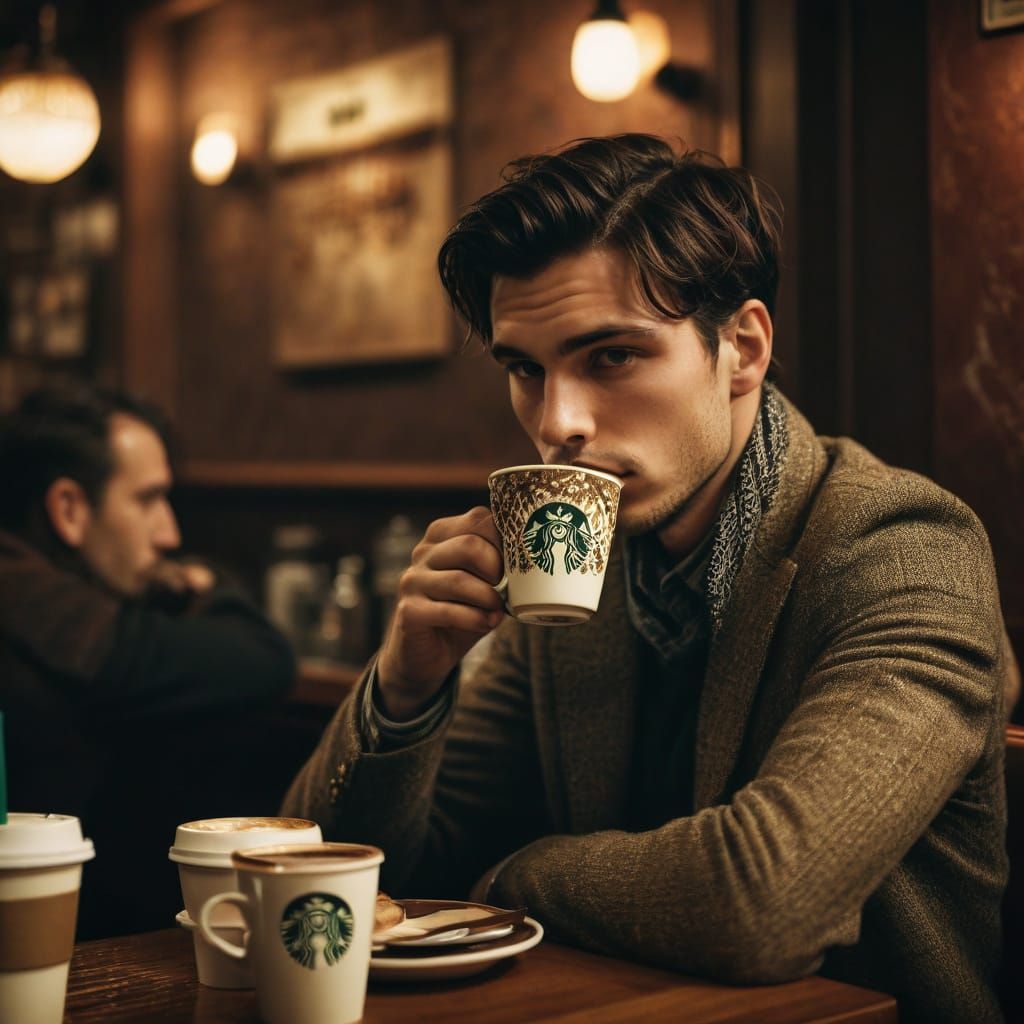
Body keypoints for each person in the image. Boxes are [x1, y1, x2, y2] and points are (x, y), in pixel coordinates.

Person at [283, 135, 1015, 1023]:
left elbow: (761, 904)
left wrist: (522, 871)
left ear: (741, 349)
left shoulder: (902, 547)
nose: (559, 423)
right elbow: (349, 882)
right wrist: (406, 685)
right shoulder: (584, 570)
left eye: (611, 357)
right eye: (525, 369)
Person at [0, 383, 295, 937]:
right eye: (147, 500)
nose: (170, 532)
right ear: (68, 509)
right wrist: (203, 585)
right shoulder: (43, 612)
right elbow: (265, 660)